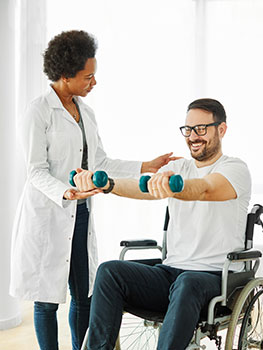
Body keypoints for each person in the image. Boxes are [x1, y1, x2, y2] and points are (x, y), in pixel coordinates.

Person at [9, 30, 178, 350]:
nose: (94, 83)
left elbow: (100, 161)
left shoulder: (86, 112)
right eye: (88, 76)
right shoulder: (38, 111)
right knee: (46, 300)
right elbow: (35, 171)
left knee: (83, 294)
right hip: (50, 214)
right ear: (64, 75)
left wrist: (146, 165)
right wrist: (65, 192)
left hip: (82, 214)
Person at [73, 98, 252, 350]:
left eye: (201, 129)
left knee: (188, 281)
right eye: (188, 130)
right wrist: (108, 184)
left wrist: (172, 186)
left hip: (216, 279)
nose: (193, 136)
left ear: (221, 129)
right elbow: (141, 186)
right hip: (172, 272)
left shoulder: (235, 169)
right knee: (110, 271)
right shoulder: (178, 167)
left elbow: (206, 189)